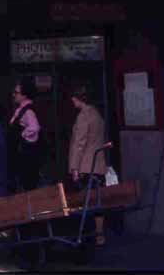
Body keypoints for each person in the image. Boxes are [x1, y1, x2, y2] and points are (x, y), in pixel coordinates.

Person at [68, 85, 108, 246]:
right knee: (97, 201)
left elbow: (79, 143)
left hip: (86, 165)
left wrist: (74, 168)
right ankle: (99, 234)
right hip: (98, 165)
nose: (72, 102)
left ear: (79, 99)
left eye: (73, 98)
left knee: (84, 202)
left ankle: (84, 235)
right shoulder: (97, 114)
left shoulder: (83, 116)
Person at [9, 77, 43, 192]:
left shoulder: (28, 111)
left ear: (25, 95)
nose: (14, 95)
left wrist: (22, 135)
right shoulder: (21, 109)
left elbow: (35, 127)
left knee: (27, 186)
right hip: (21, 155)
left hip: (26, 157)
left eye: (17, 93)